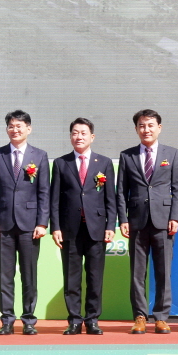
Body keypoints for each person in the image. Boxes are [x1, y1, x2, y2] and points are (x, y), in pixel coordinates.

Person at [117, 109, 178, 334]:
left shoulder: (172, 154)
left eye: (151, 125)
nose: (146, 130)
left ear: (159, 128)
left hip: (164, 221)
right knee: (137, 272)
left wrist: (175, 216)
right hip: (136, 221)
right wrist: (123, 219)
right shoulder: (127, 156)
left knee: (163, 271)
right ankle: (139, 316)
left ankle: (161, 317)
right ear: (136, 129)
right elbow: (120, 192)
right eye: (142, 126)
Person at [0, 110, 50, 335]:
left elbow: (44, 192)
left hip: (30, 225)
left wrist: (42, 223)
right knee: (5, 274)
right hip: (3, 224)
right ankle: (6, 319)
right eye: (11, 126)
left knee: (29, 274)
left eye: (20, 126)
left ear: (28, 129)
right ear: (7, 129)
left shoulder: (39, 156)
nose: (15, 130)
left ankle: (29, 319)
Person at [50, 118, 116, 334]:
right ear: (70, 137)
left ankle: (92, 319)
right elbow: (55, 199)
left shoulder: (104, 163)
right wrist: (56, 227)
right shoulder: (61, 163)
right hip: (70, 229)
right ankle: (75, 320)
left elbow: (110, 198)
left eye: (83, 133)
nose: (79, 137)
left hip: (96, 228)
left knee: (95, 277)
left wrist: (110, 226)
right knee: (72, 277)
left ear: (92, 137)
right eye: (75, 133)